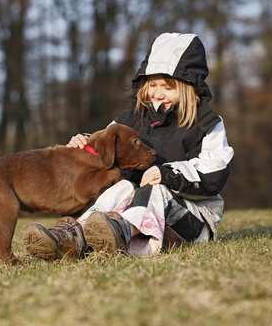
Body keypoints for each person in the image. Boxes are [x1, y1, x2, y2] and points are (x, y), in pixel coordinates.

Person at [22, 32, 234, 259]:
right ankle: (72, 235)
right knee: (121, 186)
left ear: (188, 86)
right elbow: (106, 143)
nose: (158, 93)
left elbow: (215, 170)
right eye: (153, 84)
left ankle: (119, 233)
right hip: (133, 210)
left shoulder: (206, 123)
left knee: (156, 190)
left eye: (168, 87)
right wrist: (85, 142)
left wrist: (168, 174)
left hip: (190, 220)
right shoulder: (135, 116)